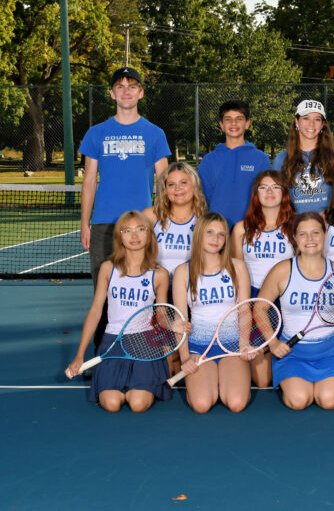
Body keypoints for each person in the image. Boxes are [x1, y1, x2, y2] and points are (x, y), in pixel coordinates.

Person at [79, 67, 170, 351]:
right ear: (112, 94)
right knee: (104, 293)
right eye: (120, 86)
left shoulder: (155, 134)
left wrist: (158, 221)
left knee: (144, 292)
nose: (126, 91)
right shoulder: (96, 133)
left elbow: (164, 182)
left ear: (140, 93)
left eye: (132, 86)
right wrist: (84, 224)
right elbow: (89, 182)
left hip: (142, 226)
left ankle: (144, 349)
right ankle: (102, 355)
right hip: (104, 225)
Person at [65, 211, 172, 413]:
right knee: (111, 404)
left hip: (144, 344)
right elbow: (96, 311)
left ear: (149, 235)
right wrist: (79, 355)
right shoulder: (108, 268)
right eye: (127, 230)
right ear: (119, 237)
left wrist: (174, 332)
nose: (134, 235)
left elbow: (161, 315)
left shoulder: (159, 274)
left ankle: (142, 382)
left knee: (138, 404)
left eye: (140, 229)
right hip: (112, 342)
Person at [258, 212, 334, 410]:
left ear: (325, 234)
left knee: (329, 401)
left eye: (315, 233)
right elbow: (260, 307)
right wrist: (273, 343)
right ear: (295, 238)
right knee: (299, 401)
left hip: (333, 351)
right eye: (303, 234)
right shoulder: (282, 270)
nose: (310, 239)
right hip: (293, 353)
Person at [173, 213, 254, 413]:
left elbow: (244, 310)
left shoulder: (237, 267)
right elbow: (180, 320)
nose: (215, 238)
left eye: (221, 234)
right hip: (199, 349)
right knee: (201, 405)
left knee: (236, 403)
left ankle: (226, 379)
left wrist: (244, 343)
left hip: (231, 347)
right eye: (209, 232)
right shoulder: (183, 271)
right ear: (199, 234)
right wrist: (185, 358)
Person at [198, 100, 271, 230]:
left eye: (239, 119)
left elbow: (265, 197)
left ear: (247, 124)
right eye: (228, 119)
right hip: (217, 230)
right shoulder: (209, 160)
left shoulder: (261, 159)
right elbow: (202, 197)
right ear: (221, 125)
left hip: (250, 228)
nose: (233, 123)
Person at [231, 170, 295, 298]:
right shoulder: (241, 229)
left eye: (275, 187)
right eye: (263, 187)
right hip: (250, 293)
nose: (269, 191)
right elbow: (236, 272)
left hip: (285, 293)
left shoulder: (296, 226)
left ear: (284, 193)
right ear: (256, 194)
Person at [273, 100, 334, 213]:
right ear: (297, 122)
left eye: (317, 119)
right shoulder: (281, 159)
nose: (312, 124)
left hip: (328, 220)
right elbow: (277, 198)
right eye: (306, 118)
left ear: (322, 124)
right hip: (295, 221)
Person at [142, 162, 206, 285]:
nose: (177, 188)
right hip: (154, 287)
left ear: (194, 185)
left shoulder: (205, 220)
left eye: (183, 182)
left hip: (190, 287)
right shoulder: (151, 216)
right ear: (165, 189)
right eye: (171, 184)